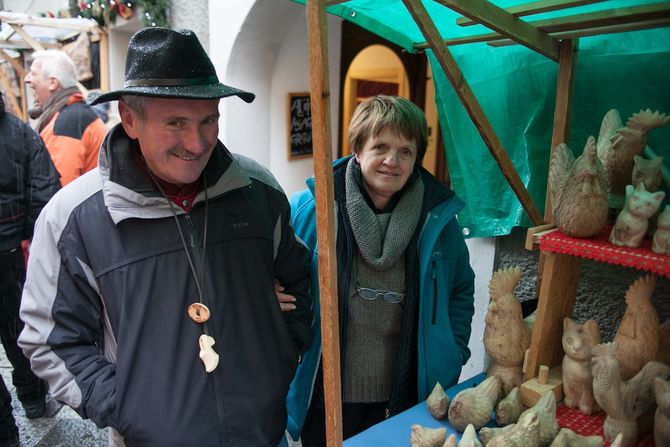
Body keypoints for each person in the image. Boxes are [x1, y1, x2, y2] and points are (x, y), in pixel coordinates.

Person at [19, 28, 312, 446]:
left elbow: (299, 279)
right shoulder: (73, 218)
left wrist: (281, 355)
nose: (197, 143)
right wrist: (128, 408)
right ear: (130, 118)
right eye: (176, 123)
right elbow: (50, 339)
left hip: (263, 434)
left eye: (209, 120)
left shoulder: (257, 190)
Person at [284, 95, 475, 444]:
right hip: (323, 394)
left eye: (405, 151)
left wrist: (452, 351)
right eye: (381, 147)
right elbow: (272, 273)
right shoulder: (312, 209)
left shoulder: (438, 221)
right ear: (358, 150)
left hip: (407, 394)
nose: (392, 161)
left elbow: (461, 288)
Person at [0, 94, 60, 446]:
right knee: (17, 327)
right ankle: (33, 399)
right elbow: (44, 193)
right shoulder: (19, 132)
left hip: (11, 246)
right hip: (10, 250)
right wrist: (30, 241)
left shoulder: (19, 132)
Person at [25, 49, 108, 186]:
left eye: (33, 73)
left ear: (53, 83)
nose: (26, 79)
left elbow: (59, 187)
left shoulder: (67, 123)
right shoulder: (75, 114)